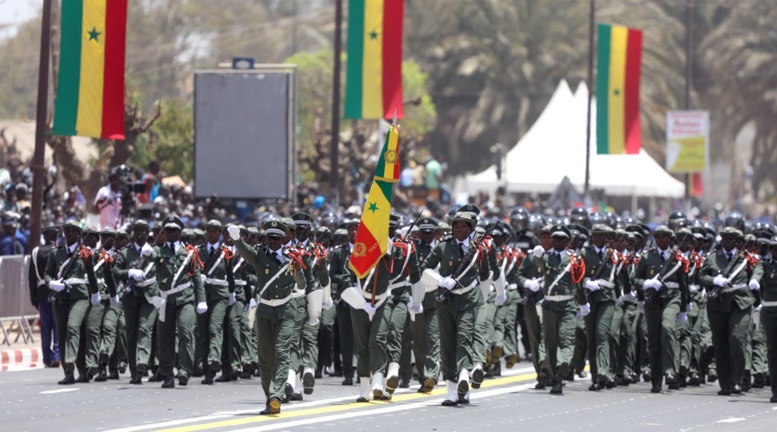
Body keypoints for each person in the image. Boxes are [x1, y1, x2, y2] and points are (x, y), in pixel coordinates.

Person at [229, 220, 308, 415]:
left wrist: (295, 267)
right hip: (264, 310)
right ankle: (269, 398)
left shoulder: (291, 257)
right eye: (269, 238)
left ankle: (276, 396)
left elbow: (302, 282)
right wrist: (237, 239)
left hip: (285, 310)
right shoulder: (259, 255)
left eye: (276, 239)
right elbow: (246, 252)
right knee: (265, 357)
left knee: (282, 353)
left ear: (283, 240)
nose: (272, 241)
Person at [422, 204, 494, 406]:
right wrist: (440, 280)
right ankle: (451, 390)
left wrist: (484, 298)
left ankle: (464, 379)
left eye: (464, 227)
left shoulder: (478, 250)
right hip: (446, 301)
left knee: (464, 339)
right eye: (456, 227)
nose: (459, 231)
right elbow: (425, 269)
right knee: (447, 345)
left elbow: (485, 275)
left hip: (469, 299)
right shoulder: (443, 246)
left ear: (471, 229)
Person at [152, 215, 206, 389]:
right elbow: (147, 262)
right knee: (164, 338)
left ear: (180, 232)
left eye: (174, 230)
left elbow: (196, 278)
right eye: (167, 230)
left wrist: (201, 300)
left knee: (185, 332)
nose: (170, 233)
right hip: (166, 299)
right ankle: (168, 374)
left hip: (185, 298)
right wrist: (145, 252)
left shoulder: (189, 252)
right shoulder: (158, 251)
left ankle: (184, 370)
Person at [633, 225, 689, 393]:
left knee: (668, 328)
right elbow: (634, 278)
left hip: (672, 298)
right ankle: (656, 380)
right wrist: (646, 283)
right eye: (657, 236)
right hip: (653, 301)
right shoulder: (647, 257)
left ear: (669, 239)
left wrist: (685, 308)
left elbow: (683, 283)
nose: (661, 239)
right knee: (654, 341)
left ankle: (670, 371)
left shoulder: (677, 258)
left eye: (664, 236)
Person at [700, 226, 754, 395]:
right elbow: (701, 277)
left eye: (732, 239)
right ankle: (725, 383)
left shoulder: (746, 260)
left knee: (737, 339)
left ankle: (737, 380)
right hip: (718, 304)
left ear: (738, 242)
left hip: (740, 302)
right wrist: (714, 280)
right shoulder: (712, 258)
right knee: (720, 344)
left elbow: (757, 277)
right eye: (725, 239)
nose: (728, 242)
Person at [45, 220, 99, 385]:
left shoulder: (84, 253)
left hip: (80, 296)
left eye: (73, 232)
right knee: (62, 335)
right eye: (67, 232)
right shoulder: (56, 253)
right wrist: (51, 283)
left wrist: (95, 293)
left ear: (79, 235)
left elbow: (91, 275)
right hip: (61, 298)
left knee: (73, 327)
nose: (70, 235)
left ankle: (71, 362)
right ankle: (70, 373)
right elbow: (47, 273)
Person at [114, 220, 158, 385]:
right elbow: (116, 272)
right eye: (136, 231)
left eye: (142, 231)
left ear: (147, 234)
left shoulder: (154, 252)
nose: (139, 234)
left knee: (145, 328)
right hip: (131, 296)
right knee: (131, 333)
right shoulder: (126, 253)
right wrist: (129, 272)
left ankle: (142, 362)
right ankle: (135, 372)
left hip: (149, 295)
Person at [28, 223, 61, 368]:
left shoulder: (36, 252)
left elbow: (31, 278)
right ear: (56, 236)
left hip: (42, 293)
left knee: (46, 327)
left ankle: (47, 358)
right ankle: (57, 354)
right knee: (57, 326)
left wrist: (33, 297)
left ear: (45, 235)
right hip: (57, 292)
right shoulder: (60, 251)